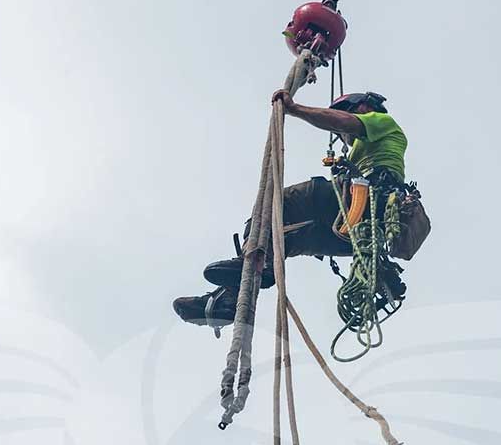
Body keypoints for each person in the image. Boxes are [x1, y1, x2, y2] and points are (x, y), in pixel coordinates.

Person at [173, 90, 411, 328]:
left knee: (275, 204)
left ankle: (257, 264)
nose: (340, 134)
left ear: (363, 107)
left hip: (369, 202)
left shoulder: (381, 122)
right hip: (352, 233)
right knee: (282, 241)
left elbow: (344, 122)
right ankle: (228, 300)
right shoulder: (364, 146)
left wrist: (294, 109)